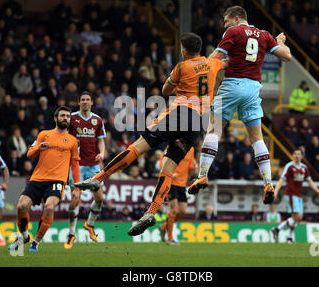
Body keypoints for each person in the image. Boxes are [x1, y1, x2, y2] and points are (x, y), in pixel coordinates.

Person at [76, 32, 227, 236]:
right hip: (196, 125)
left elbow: (165, 91)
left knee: (137, 147)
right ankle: (150, 212)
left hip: (180, 113)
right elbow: (228, 62)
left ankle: (99, 177)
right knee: (167, 168)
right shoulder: (213, 63)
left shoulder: (182, 66)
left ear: (184, 50)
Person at [188, 5, 291, 205]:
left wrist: (203, 73)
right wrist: (279, 42)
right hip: (253, 88)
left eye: (226, 21)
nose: (224, 25)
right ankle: (268, 182)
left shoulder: (233, 31)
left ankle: (202, 175)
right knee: (256, 138)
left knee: (213, 130)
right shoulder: (264, 35)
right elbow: (287, 56)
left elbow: (214, 60)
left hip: (232, 84)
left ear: (236, 18)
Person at [9, 106, 80, 252]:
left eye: (68, 116)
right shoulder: (44, 134)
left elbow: (75, 166)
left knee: (49, 207)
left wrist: (76, 188)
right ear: (56, 118)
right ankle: (23, 236)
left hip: (57, 181)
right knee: (21, 206)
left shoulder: (73, 141)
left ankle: (36, 241)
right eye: (62, 116)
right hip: (38, 178)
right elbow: (29, 154)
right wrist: (39, 148)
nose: (65, 118)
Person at [64, 91, 106, 249]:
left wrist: (102, 153)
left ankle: (89, 225)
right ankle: (71, 234)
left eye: (88, 100)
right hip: (76, 165)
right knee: (75, 198)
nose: (85, 102)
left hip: (93, 165)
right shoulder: (72, 118)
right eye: (83, 100)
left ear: (92, 102)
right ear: (79, 102)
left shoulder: (97, 120)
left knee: (100, 199)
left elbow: (101, 141)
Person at [271, 149, 319, 244]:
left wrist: (317, 190)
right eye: (295, 154)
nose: (297, 156)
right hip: (290, 194)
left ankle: (287, 237)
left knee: (297, 218)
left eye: (299, 154)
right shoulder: (289, 166)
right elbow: (281, 180)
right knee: (297, 217)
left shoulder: (304, 168)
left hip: (298, 195)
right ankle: (279, 230)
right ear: (292, 155)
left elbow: (309, 181)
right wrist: (275, 191)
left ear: (302, 156)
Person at [158, 147, 195, 245]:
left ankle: (164, 227)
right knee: (174, 210)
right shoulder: (171, 146)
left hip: (182, 184)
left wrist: (193, 167)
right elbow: (161, 162)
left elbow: (189, 164)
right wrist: (170, 172)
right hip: (171, 182)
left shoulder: (191, 149)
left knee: (182, 211)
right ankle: (170, 238)